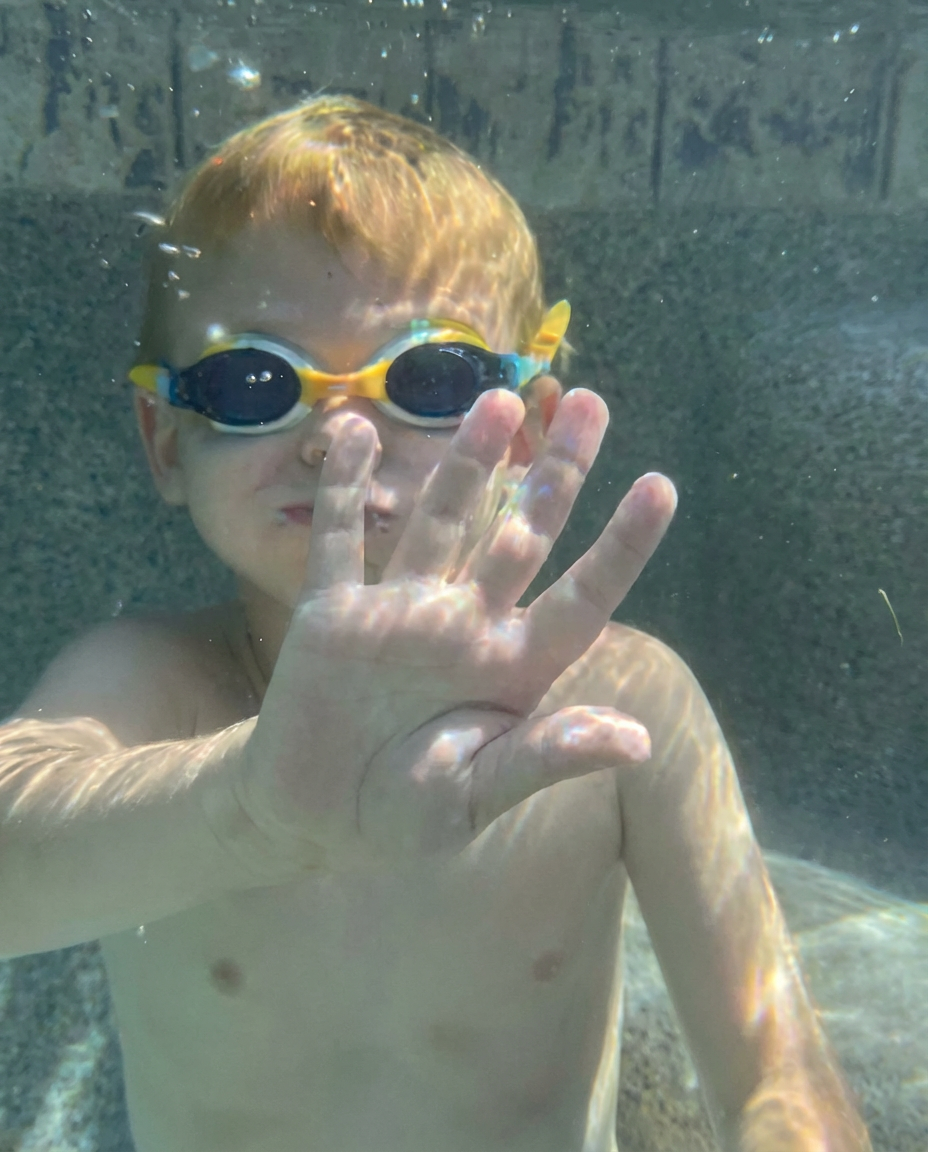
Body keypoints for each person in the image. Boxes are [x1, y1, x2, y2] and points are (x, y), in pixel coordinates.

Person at [0, 96, 870, 1152]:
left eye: (429, 377)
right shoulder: (145, 687)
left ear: (528, 430)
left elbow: (775, 1074)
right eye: (252, 381)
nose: (340, 438)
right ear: (167, 439)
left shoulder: (625, 707)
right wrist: (249, 807)